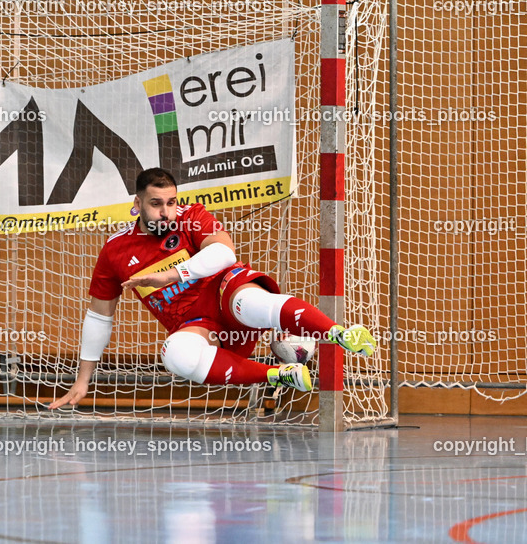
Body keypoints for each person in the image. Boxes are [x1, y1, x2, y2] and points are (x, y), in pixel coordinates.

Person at [50, 167, 375, 409]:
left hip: (226, 294)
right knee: (175, 355)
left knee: (249, 302)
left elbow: (224, 253)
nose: (165, 212)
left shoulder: (191, 217)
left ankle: (339, 334)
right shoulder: (115, 251)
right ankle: (278, 374)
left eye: (171, 202)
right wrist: (82, 380)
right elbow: (100, 316)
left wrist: (172, 275)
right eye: (155, 204)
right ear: (137, 203)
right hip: (200, 326)